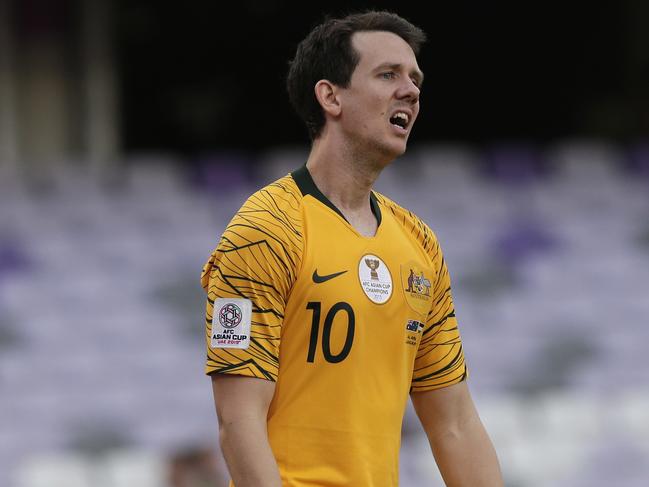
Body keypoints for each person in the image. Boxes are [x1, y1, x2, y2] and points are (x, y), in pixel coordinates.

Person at [201, 10, 503, 487]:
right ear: (330, 96)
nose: (411, 90)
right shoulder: (264, 230)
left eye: (414, 78)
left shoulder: (419, 245)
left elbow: (455, 423)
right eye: (388, 75)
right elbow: (238, 422)